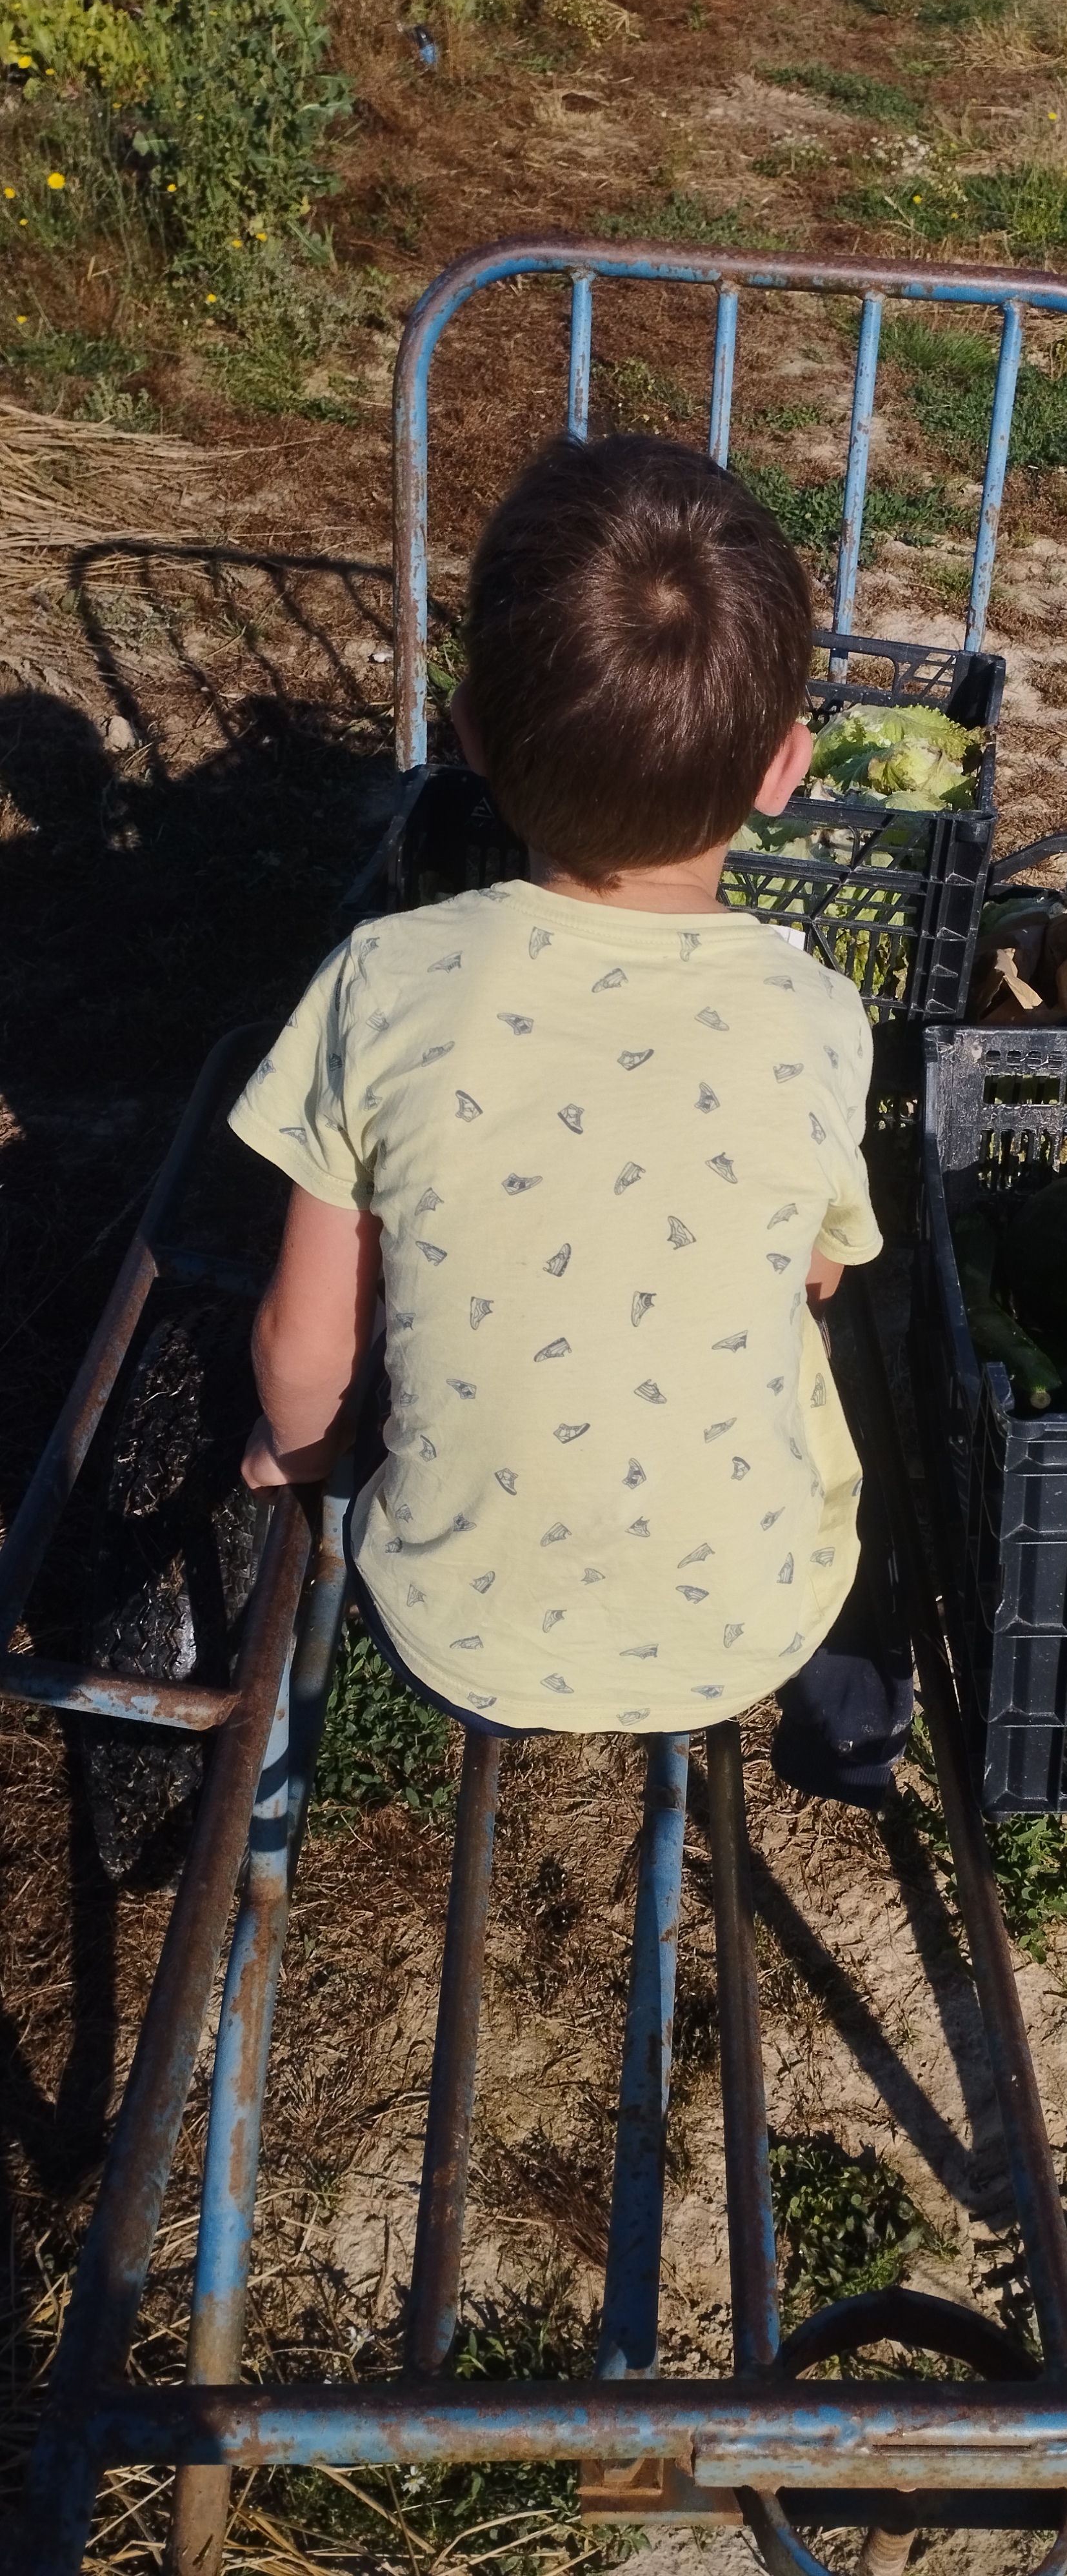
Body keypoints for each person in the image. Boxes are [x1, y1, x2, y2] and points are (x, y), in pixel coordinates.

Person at [230, 431, 913, 1802]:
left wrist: (292, 1452)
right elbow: (819, 1271)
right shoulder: (819, 1013)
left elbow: (307, 1347)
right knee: (841, 1401)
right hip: (741, 1633)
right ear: (786, 769)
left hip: (455, 1637)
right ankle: (853, 1710)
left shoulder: (385, 978)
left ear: (472, 740)